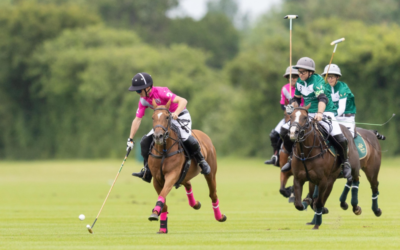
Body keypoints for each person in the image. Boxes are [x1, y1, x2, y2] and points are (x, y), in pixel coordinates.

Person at [127, 73, 211, 183]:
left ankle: (202, 162)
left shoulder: (161, 92)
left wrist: (176, 113)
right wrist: (130, 139)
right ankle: (147, 170)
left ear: (148, 88)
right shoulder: (143, 100)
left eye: (139, 91)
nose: (138, 93)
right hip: (162, 121)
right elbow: (137, 119)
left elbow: (183, 101)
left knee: (185, 137)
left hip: (180, 115)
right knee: (144, 141)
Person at [280, 57, 352, 181]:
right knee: (284, 130)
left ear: (310, 72)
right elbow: (296, 99)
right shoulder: (299, 83)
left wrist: (320, 113)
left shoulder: (318, 81)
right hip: (307, 113)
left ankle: (345, 163)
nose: (300, 74)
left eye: (303, 72)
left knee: (340, 137)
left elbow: (322, 99)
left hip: (325, 111)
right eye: (299, 72)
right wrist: (291, 108)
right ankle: (291, 156)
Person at [265, 66, 304, 166]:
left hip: (302, 116)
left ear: (299, 77)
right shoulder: (285, 89)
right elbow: (282, 105)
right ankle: (276, 156)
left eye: (295, 76)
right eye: (290, 77)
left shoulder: (303, 87)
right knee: (274, 135)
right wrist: (290, 110)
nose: (292, 79)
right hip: (289, 117)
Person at [321, 64, 357, 138]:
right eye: (328, 77)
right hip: (333, 119)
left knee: (348, 139)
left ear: (337, 77)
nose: (330, 79)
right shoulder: (325, 88)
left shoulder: (343, 87)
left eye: (332, 77)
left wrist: (330, 116)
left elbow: (341, 109)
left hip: (346, 118)